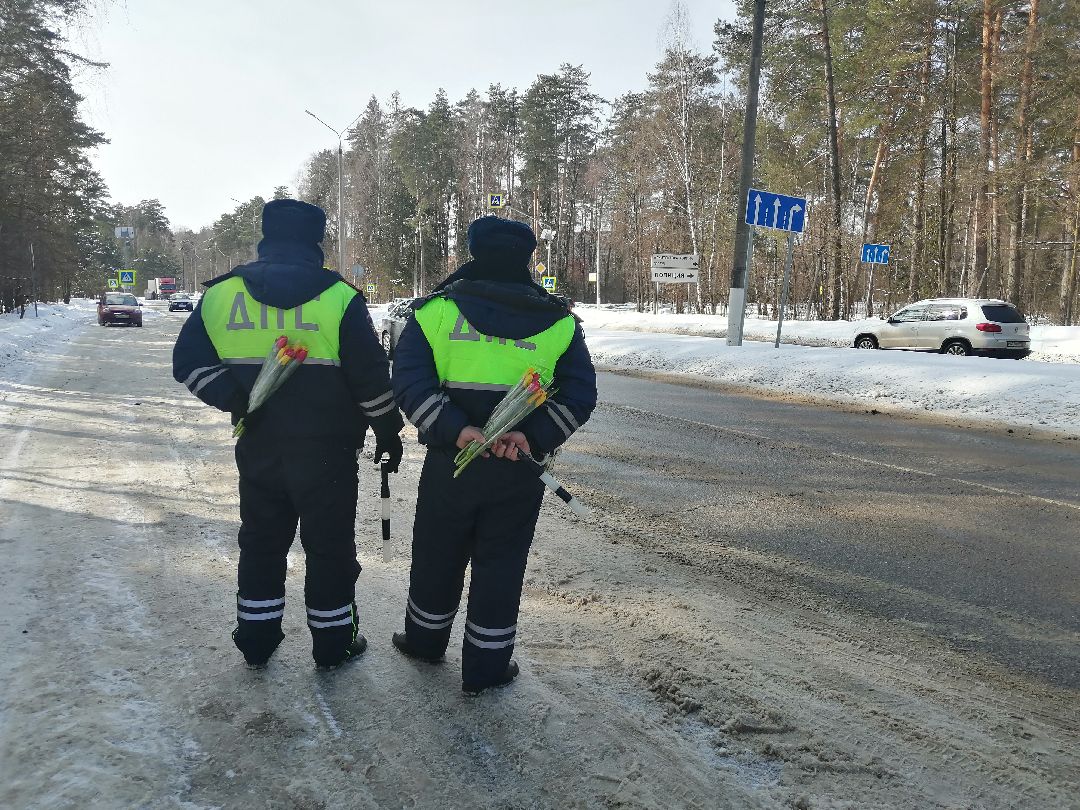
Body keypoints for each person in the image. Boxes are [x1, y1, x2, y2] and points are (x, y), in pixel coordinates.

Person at [172, 199, 403, 670]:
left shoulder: (222, 295)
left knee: (261, 540)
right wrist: (387, 430)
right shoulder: (340, 298)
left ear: (265, 236)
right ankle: (333, 643)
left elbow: (189, 364)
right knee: (329, 547)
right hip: (328, 452)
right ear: (315, 242)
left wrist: (241, 402)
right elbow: (371, 379)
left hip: (258, 446)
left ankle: (256, 639)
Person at [390, 216, 597, 695]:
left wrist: (457, 430)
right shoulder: (559, 322)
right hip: (517, 470)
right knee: (501, 565)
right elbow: (579, 395)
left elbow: (409, 382)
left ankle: (424, 641)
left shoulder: (436, 312)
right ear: (526, 257)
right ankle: (485, 668)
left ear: (474, 251)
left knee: (437, 553)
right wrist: (531, 437)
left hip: (450, 465)